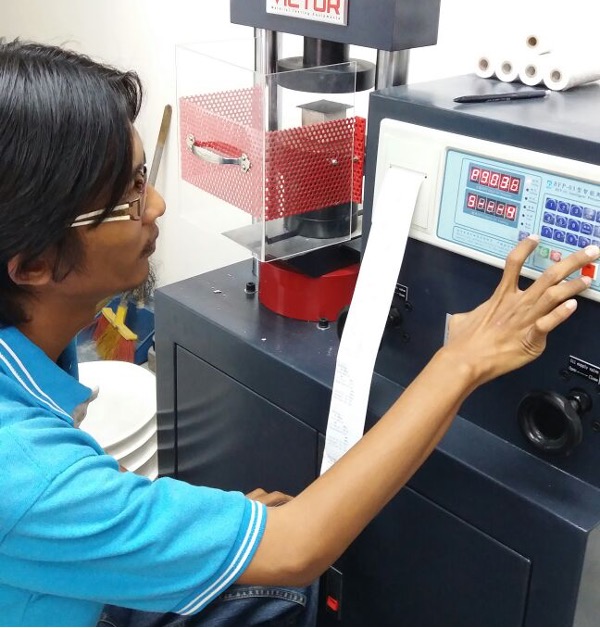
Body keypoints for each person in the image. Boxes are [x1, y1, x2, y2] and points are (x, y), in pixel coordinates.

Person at [0, 38, 597, 628]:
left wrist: (190, 529)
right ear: (32, 266)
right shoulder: (25, 472)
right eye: (129, 197)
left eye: (141, 176)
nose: (155, 204)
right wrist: (461, 363)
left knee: (267, 594)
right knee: (284, 583)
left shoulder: (33, 339)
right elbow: (296, 548)